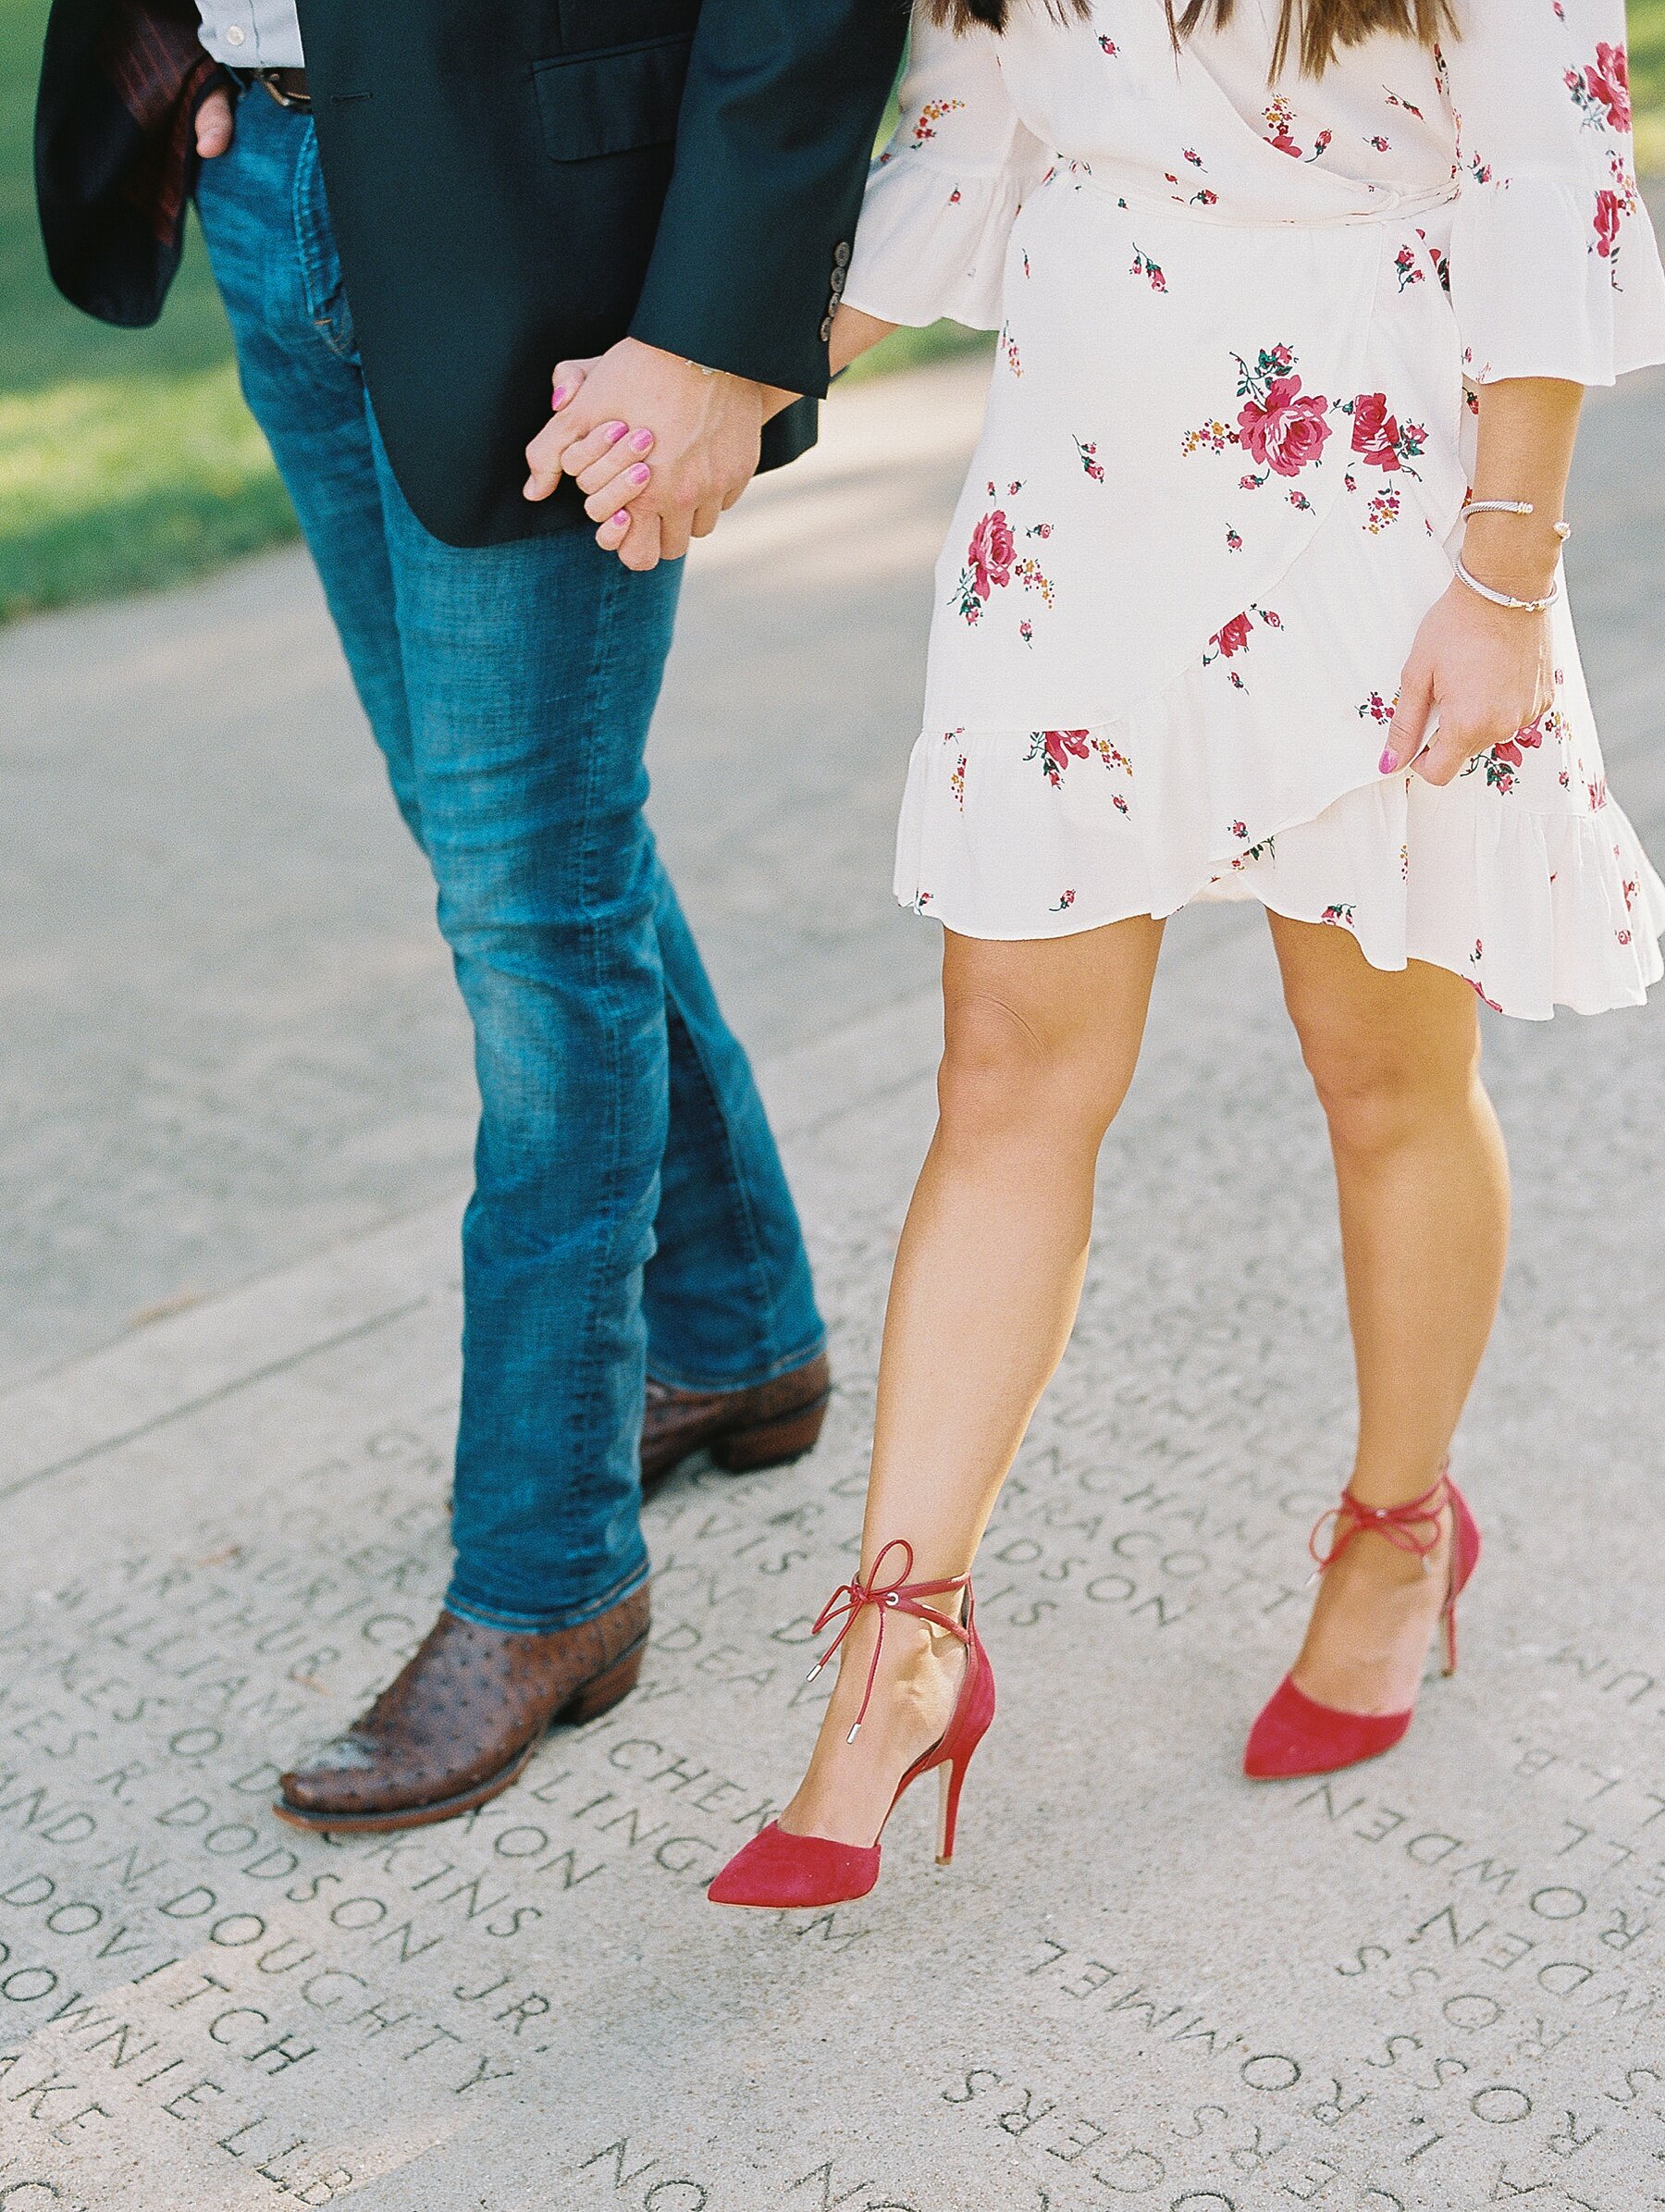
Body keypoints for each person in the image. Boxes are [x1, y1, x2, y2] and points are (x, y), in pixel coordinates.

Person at [604, 0, 1655, 1905]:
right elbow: (967, 141)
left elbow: (1552, 178)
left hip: (1383, 493)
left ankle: (1401, 1528)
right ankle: (897, 1651)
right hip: (1079, 496)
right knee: (1004, 1075)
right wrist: (730, 381)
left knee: (1385, 1077)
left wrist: (1503, 582)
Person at [35, 0, 908, 1834]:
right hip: (268, 171)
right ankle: (741, 1326)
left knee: (531, 902)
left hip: (553, 234)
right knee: (509, 851)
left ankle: (547, 1573)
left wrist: (713, 328)